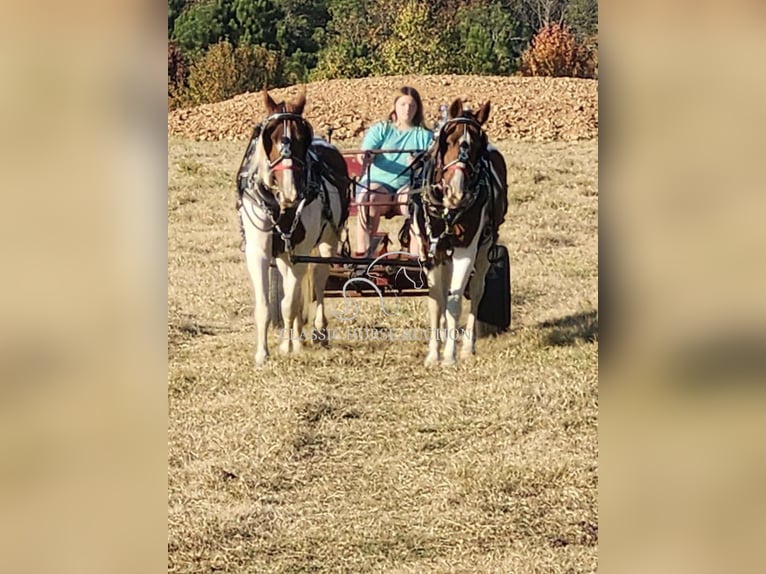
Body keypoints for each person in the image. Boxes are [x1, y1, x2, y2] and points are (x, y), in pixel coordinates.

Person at [356, 86, 433, 256]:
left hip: (407, 186)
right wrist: (367, 157)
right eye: (403, 104)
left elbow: (431, 163)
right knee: (369, 199)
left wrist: (418, 163)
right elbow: (364, 153)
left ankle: (416, 258)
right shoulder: (382, 129)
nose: (407, 109)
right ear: (395, 106)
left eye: (412, 105)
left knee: (418, 202)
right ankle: (363, 256)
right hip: (378, 184)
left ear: (417, 109)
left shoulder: (424, 135)